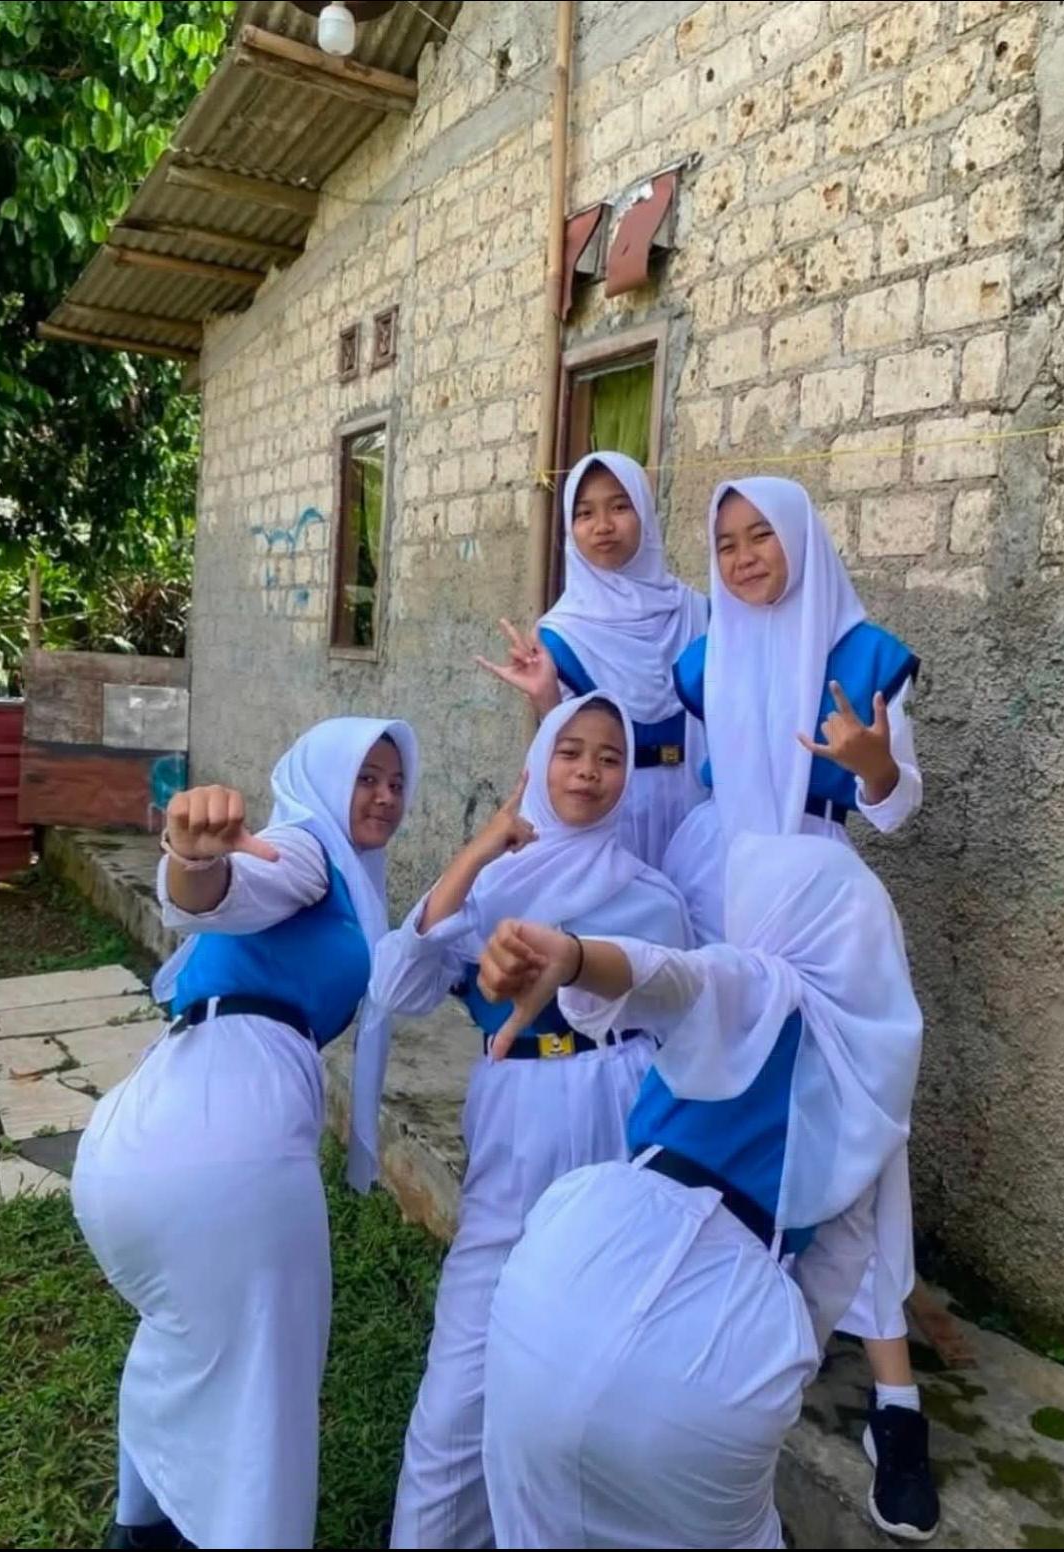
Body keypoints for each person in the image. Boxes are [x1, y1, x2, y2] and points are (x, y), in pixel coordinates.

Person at [474, 831, 923, 1549]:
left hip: (575, 1261)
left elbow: (677, 976)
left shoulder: (757, 986)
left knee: (538, 1524)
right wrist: (771, 1352)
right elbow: (841, 1258)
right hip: (730, 1324)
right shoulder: (871, 1074)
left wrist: (579, 956)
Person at [666, 476, 939, 1541]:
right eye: (724, 541)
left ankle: (897, 1405)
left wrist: (874, 768)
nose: (741, 558)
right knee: (740, 1117)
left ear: (803, 541)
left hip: (830, 914)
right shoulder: (711, 655)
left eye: (760, 536)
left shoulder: (862, 655)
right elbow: (689, 783)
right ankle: (741, 1325)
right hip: (732, 904)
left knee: (865, 1137)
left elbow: (901, 807)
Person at [71, 718, 419, 1552]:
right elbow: (224, 893)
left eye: (396, 783)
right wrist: (195, 858)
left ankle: (143, 1528)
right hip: (226, 1133)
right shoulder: (302, 848)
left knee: (183, 1341)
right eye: (365, 777)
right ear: (323, 779)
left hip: (160, 1118)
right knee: (265, 1382)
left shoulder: (353, 887)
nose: (382, 796)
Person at [372, 692, 691, 1549]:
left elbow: (690, 1019)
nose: (588, 771)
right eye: (571, 751)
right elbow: (397, 985)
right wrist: (476, 852)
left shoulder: (653, 894)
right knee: (460, 1385)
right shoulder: (494, 888)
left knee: (594, 1367)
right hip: (517, 1121)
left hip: (617, 1127)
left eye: (610, 757)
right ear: (541, 762)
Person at [475, 451, 707, 868]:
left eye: (620, 507)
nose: (602, 526)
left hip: (696, 806)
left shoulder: (697, 613)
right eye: (584, 514)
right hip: (608, 813)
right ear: (569, 527)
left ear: (646, 513)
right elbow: (564, 746)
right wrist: (546, 699)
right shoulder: (560, 634)